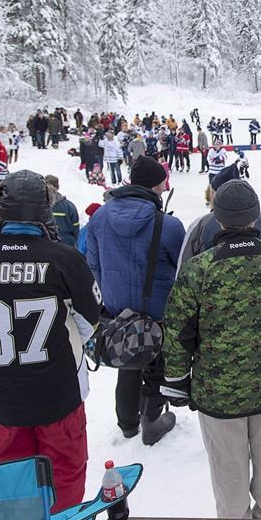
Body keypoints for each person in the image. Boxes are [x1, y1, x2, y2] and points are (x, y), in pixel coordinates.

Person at [0, 171, 100, 510]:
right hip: (58, 393)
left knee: (14, 481)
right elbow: (90, 321)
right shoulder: (64, 259)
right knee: (64, 474)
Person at [162, 180, 261, 519]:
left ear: (218, 217)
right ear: (255, 218)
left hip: (218, 392)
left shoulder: (199, 268)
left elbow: (178, 329)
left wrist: (176, 378)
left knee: (228, 464)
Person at [86, 156, 184, 444]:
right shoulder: (167, 224)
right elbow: (182, 268)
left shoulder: (100, 216)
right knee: (155, 359)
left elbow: (93, 262)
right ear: (157, 185)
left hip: (117, 307)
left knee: (128, 359)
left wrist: (112, 296)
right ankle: (152, 417)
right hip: (158, 309)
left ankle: (127, 422)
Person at [44, 176, 80, 248]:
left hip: (46, 244)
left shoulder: (40, 205)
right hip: (67, 244)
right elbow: (76, 229)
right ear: (58, 187)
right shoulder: (69, 206)